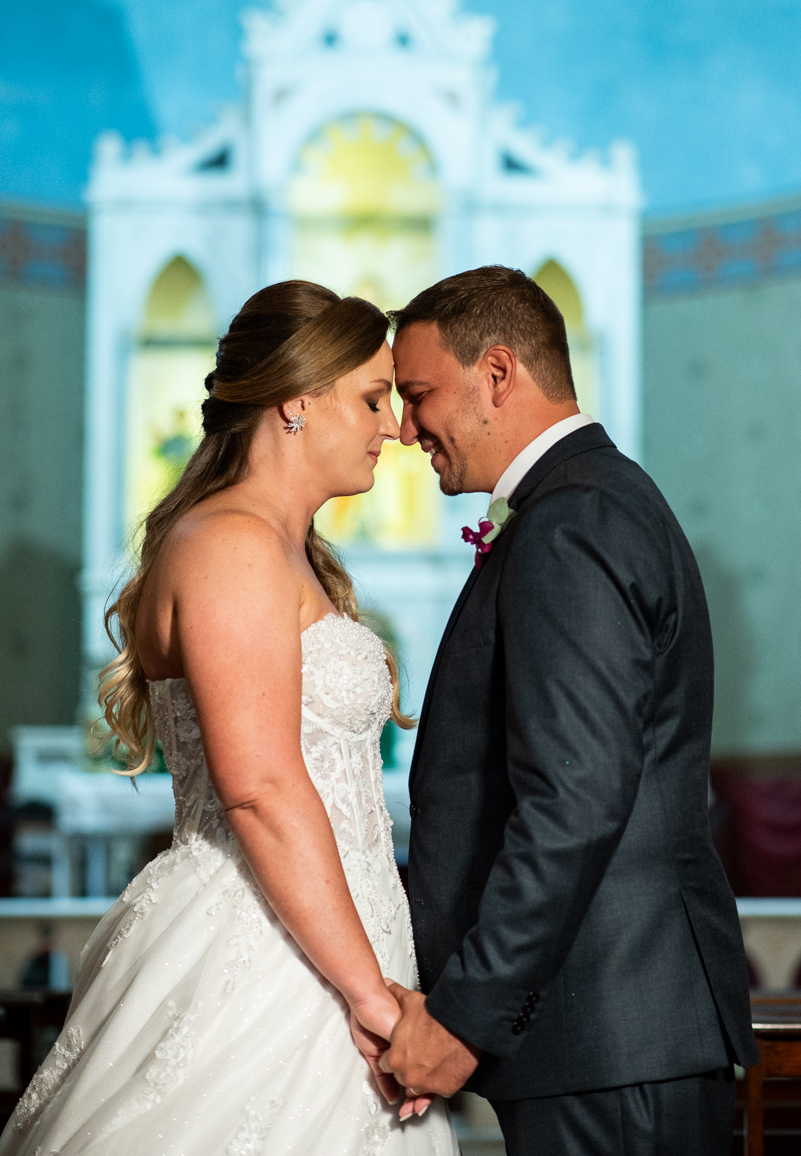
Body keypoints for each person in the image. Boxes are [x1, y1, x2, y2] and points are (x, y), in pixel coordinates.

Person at [0, 282, 457, 1156]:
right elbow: (258, 787)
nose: (396, 427)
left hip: (331, 927)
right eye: (372, 398)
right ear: (297, 400)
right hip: (265, 943)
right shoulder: (232, 543)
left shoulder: (280, 547)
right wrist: (368, 994)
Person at [382, 265, 758, 1156]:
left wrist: (465, 1016)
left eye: (418, 394)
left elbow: (574, 798)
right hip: (611, 1036)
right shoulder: (588, 500)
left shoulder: (573, 520)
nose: (403, 428)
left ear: (497, 372)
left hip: (612, 1036)